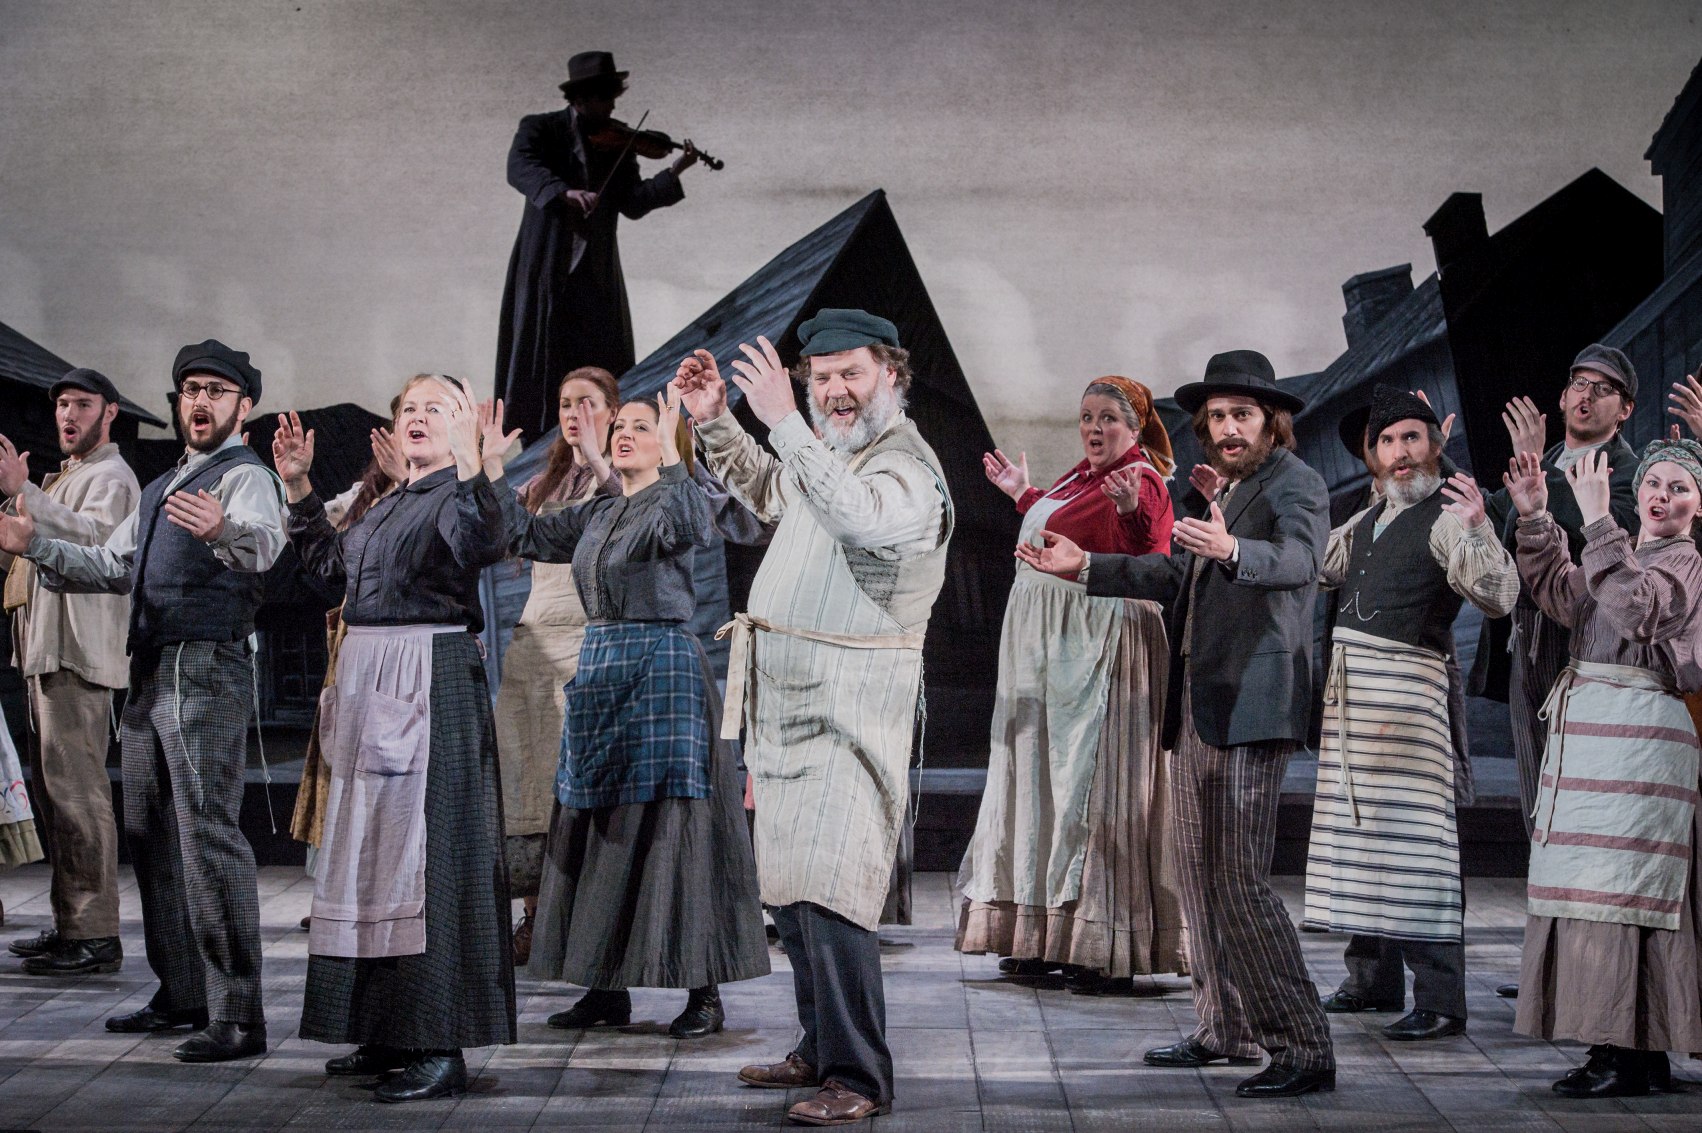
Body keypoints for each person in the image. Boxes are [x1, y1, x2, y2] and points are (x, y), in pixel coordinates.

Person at [1019, 350, 1335, 1098]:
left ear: (1271, 422)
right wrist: (1087, 567)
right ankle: (1224, 1026)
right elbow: (1172, 575)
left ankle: (1303, 1044)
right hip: (1196, 702)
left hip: (1253, 702)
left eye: (1242, 415)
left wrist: (1233, 548)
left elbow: (1300, 560)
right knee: (1198, 877)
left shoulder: (1296, 482)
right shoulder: (1225, 488)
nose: (1227, 429)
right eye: (1217, 417)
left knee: (1240, 882)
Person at [675, 309, 952, 1126]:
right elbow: (773, 490)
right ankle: (819, 1044)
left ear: (891, 375)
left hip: (849, 707)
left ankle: (859, 1074)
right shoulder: (828, 452)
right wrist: (714, 419)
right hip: (792, 703)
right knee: (794, 892)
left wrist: (784, 422)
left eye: (851, 374)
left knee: (832, 891)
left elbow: (858, 513)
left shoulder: (907, 467)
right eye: (821, 377)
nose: (834, 391)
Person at [0, 340, 285, 1062]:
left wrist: (223, 531)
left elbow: (265, 545)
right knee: (150, 832)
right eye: (191, 389)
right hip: (152, 665)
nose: (200, 401)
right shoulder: (163, 486)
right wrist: (34, 545)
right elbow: (110, 562)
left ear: (244, 406)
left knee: (207, 835)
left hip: (205, 664)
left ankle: (238, 1013)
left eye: (216, 390)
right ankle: (183, 991)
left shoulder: (245, 476)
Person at [274, 376, 518, 1103]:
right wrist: (299, 489)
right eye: (408, 406)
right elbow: (332, 574)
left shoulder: (455, 493)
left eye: (435, 408)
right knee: (373, 861)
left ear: (462, 424)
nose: (417, 416)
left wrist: (475, 465)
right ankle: (384, 1027)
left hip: (426, 676)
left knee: (427, 861)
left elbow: (484, 541)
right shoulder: (389, 501)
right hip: (372, 680)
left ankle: (438, 1042)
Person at [502, 387, 768, 1039]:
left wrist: (677, 455)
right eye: (619, 425)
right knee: (600, 828)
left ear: (666, 442)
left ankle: (703, 990)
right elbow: (524, 534)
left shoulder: (676, 498)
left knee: (676, 829)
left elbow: (689, 523)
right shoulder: (600, 509)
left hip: (661, 668)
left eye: (641, 427)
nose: (623, 433)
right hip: (601, 671)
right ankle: (604, 986)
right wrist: (481, 468)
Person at [1303, 385, 1518, 1042]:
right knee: (1364, 836)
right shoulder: (1370, 517)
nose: (1399, 452)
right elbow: (1316, 564)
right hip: (1355, 704)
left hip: (1406, 701)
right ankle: (1372, 978)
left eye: (1412, 438)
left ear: (1435, 445)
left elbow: (1498, 594)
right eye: (1388, 441)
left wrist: (1478, 526)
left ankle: (1442, 999)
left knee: (1418, 846)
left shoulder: (1447, 516)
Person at [956, 376, 1184, 990]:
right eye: (1086, 416)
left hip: (1098, 643)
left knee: (1090, 787)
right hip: (1048, 649)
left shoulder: (1141, 482)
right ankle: (1041, 933)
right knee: (1040, 783)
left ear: (1135, 428)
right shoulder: (1079, 478)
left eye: (1108, 418)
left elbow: (1151, 556)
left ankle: (1102, 944)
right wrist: (1023, 494)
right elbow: (1064, 526)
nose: (1094, 428)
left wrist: (1131, 511)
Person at [1505, 436, 1702, 1097]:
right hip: (1595, 738)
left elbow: (1638, 609)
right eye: (1654, 483)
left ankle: (1625, 1053)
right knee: (1595, 888)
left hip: (1643, 741)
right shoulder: (1622, 553)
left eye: (1680, 487)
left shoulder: (1685, 562)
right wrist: (1537, 517)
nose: (1663, 495)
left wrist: (1596, 520)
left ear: (1699, 505)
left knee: (1628, 892)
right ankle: (1635, 1049)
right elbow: (1567, 597)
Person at [1473, 345, 1639, 1002]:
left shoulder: (1629, 475)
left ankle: (1588, 967)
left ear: (1625, 410)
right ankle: (1553, 960)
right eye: (1577, 383)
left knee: (1585, 813)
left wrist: (1534, 488)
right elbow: (1490, 516)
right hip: (1530, 651)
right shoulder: (1538, 463)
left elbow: (1588, 537)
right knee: (1537, 808)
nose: (1585, 395)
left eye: (1603, 388)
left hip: (1588, 654)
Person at [0, 369, 138, 975]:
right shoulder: (72, 475)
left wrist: (25, 492)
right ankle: (71, 925)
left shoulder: (112, 476)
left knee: (79, 797)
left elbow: (99, 544)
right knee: (58, 797)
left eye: (82, 404)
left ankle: (95, 932)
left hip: (77, 654)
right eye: (61, 405)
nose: (68, 415)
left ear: (110, 412)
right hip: (47, 651)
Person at [496, 51, 700, 443]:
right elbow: (520, 167)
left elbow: (634, 202)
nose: (612, 108)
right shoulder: (541, 129)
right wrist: (563, 192)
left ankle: (601, 441)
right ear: (581, 97)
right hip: (547, 268)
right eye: (605, 98)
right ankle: (538, 444)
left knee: (600, 358)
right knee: (542, 362)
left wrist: (675, 170)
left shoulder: (616, 144)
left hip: (595, 274)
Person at [494, 366, 621, 965]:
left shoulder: (619, 475)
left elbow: (626, 514)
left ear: (613, 412)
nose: (574, 414)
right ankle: (535, 916)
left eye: (587, 403)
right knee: (526, 782)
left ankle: (581, 921)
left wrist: (598, 458)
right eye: (567, 404)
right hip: (532, 645)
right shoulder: (544, 483)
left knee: (576, 786)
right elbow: (503, 532)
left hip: (585, 639)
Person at [288, 414, 406, 932]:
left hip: (407, 651)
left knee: (389, 773)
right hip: (354, 646)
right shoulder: (365, 494)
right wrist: (296, 486)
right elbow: (322, 549)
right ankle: (338, 888)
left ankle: (388, 893)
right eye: (404, 418)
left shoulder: (446, 491)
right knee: (341, 766)